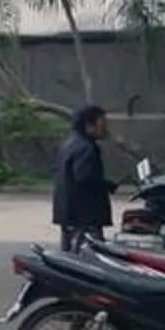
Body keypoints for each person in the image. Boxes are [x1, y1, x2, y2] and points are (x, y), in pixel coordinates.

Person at [52, 104, 114, 252]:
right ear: (89, 125)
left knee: (70, 256)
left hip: (68, 212)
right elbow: (84, 177)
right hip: (85, 215)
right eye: (102, 124)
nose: (105, 128)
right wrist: (107, 185)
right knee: (91, 256)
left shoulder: (70, 143)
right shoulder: (86, 148)